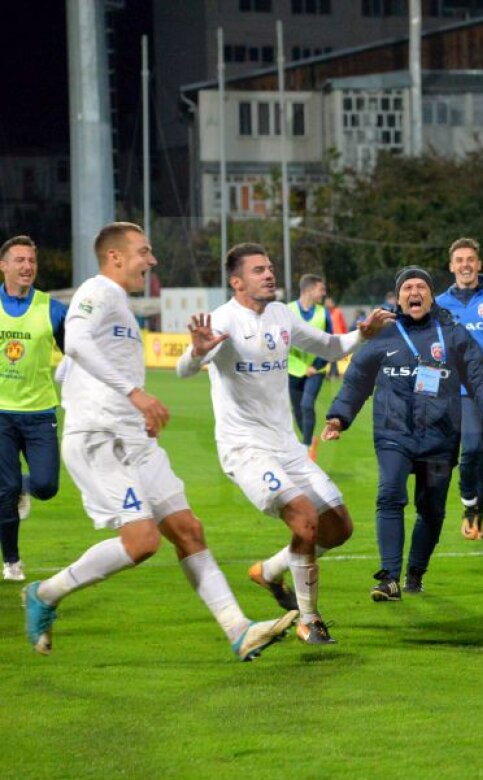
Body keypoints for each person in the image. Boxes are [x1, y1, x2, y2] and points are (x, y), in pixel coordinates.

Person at [23, 222, 297, 661]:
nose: (152, 261)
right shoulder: (98, 290)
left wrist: (124, 404)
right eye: (143, 252)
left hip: (132, 437)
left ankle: (238, 629)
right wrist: (132, 395)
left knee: (188, 530)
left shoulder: (121, 309)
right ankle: (46, 593)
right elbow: (73, 341)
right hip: (98, 440)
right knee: (142, 542)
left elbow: (68, 368)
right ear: (115, 257)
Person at [177, 243, 393, 645]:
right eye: (259, 270)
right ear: (237, 281)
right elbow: (184, 369)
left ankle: (270, 570)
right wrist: (196, 352)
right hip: (245, 449)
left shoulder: (281, 315)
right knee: (305, 518)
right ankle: (308, 619)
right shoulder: (223, 320)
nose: (270, 274)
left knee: (339, 526)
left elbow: (329, 347)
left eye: (271, 267)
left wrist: (361, 334)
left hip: (286, 446)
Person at [322, 267, 483, 600]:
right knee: (389, 494)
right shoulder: (384, 335)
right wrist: (338, 417)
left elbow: (481, 375)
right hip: (394, 433)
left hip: (440, 436)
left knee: (431, 508)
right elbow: (357, 379)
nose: (414, 291)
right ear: (399, 297)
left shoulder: (452, 333)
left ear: (431, 295)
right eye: (407, 287)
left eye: (421, 286)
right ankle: (389, 577)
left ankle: (416, 572)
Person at [436, 239, 483, 540]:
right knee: (471, 449)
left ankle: (479, 508)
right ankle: (469, 502)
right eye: (459, 260)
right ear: (451, 266)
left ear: (479, 265)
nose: (465, 264)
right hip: (461, 391)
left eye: (471, 259)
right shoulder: (439, 304)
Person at [0, 236, 66, 581]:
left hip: (41, 413)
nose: (27, 267)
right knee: (4, 491)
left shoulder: (52, 309)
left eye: (32, 261)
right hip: (1, 415)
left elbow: (77, 353)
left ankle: (27, 483)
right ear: (4, 266)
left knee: (46, 487)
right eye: (20, 260)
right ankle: (11, 560)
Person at [286, 273, 333, 451]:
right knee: (297, 409)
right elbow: (280, 344)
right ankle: (308, 438)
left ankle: (305, 447)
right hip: (293, 369)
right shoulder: (287, 311)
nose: (324, 293)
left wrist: (316, 366)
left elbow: (330, 343)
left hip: (317, 370)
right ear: (309, 289)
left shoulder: (324, 313)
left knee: (307, 404)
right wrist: (302, 367)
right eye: (321, 289)